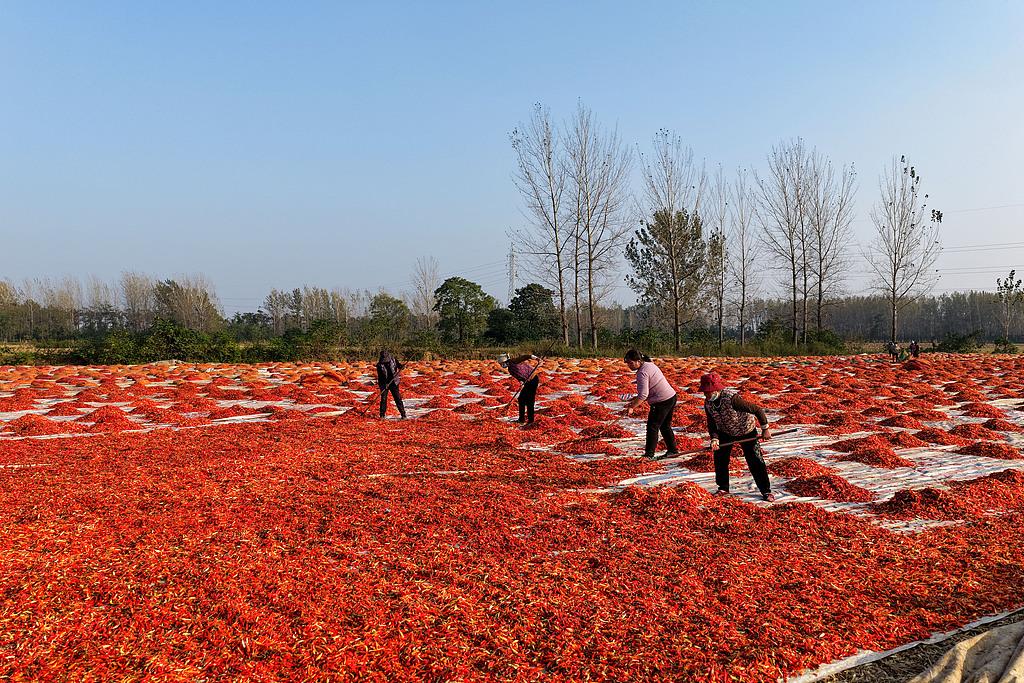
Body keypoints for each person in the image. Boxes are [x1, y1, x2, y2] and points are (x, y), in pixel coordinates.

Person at [700, 371, 775, 502]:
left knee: (755, 460)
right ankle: (723, 487)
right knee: (720, 459)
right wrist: (714, 438)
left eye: (708, 392)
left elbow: (758, 410)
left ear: (716, 389)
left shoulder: (732, 398)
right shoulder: (708, 403)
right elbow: (711, 422)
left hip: (745, 431)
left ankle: (766, 491)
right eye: (705, 392)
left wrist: (765, 429)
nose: (706, 394)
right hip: (725, 432)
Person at [622, 349, 679, 460]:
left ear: (638, 361)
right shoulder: (648, 364)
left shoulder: (642, 372)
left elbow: (643, 395)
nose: (629, 366)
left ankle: (649, 455)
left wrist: (632, 407)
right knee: (665, 426)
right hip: (671, 397)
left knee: (653, 427)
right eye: (627, 363)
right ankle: (673, 450)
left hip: (661, 401)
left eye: (631, 363)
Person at [497, 352, 541, 424]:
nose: (502, 365)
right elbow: (518, 377)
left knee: (530, 400)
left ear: (505, 361)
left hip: (533, 379)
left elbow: (526, 356)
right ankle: (521, 420)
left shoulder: (515, 361)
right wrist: (521, 382)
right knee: (521, 399)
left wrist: (537, 358)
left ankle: (531, 421)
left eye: (502, 364)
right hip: (527, 382)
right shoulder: (510, 370)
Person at [375, 350, 407, 419]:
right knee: (383, 399)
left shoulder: (393, 360)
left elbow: (398, 365)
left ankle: (403, 414)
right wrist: (385, 384)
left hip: (394, 383)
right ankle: (382, 415)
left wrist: (401, 366)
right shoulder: (379, 365)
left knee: (397, 398)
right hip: (384, 383)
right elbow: (380, 377)